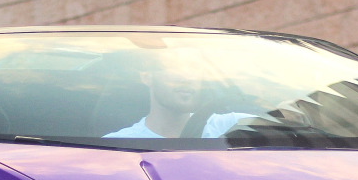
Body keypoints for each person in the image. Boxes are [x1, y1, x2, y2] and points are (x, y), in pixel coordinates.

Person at [104, 50, 273, 138]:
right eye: (173, 66)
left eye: (193, 67)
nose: (187, 76)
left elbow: (291, 123)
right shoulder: (117, 146)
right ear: (147, 76)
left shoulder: (233, 126)